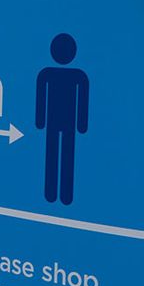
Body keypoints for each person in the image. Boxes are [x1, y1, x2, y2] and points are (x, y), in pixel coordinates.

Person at [35, 33, 89, 205]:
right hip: (56, 124)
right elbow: (41, 97)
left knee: (66, 155)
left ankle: (64, 195)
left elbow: (83, 101)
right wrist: (40, 120)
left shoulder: (78, 76)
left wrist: (81, 124)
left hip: (66, 125)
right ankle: (51, 193)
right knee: (54, 155)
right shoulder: (46, 74)